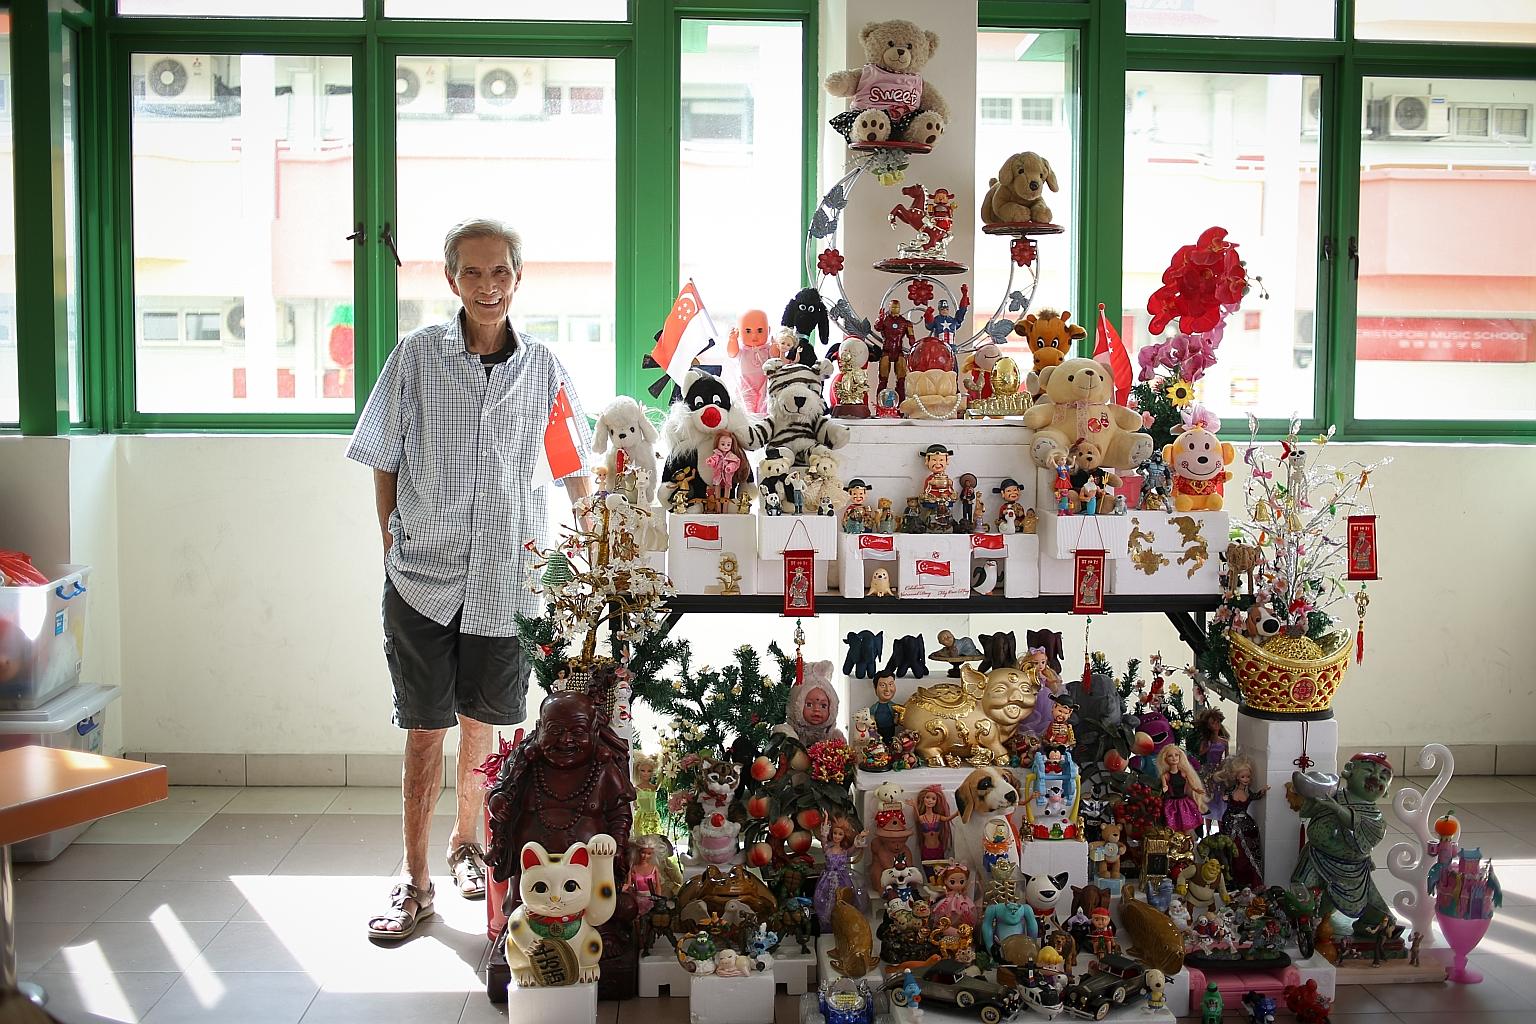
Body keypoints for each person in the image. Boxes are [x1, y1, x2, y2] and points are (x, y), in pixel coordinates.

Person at [347, 218, 593, 940]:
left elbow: (573, 466)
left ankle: (468, 847)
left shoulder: (542, 367)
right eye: (474, 273)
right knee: (425, 731)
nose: (488, 287)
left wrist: (594, 547)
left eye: (500, 273)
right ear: (452, 280)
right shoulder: (416, 357)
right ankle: (413, 879)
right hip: (422, 578)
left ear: (518, 278)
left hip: (507, 580)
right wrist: (391, 541)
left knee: (482, 724)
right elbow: (383, 454)